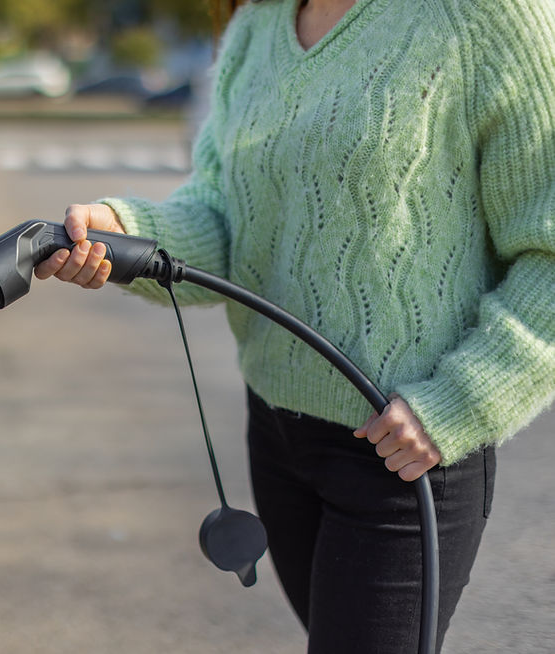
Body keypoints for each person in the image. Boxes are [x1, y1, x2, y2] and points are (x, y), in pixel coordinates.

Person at [34, 0, 555, 652]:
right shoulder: (259, 26)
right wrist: (127, 234)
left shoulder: (484, 15)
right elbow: (226, 218)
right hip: (278, 441)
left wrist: (464, 400)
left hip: (404, 454)